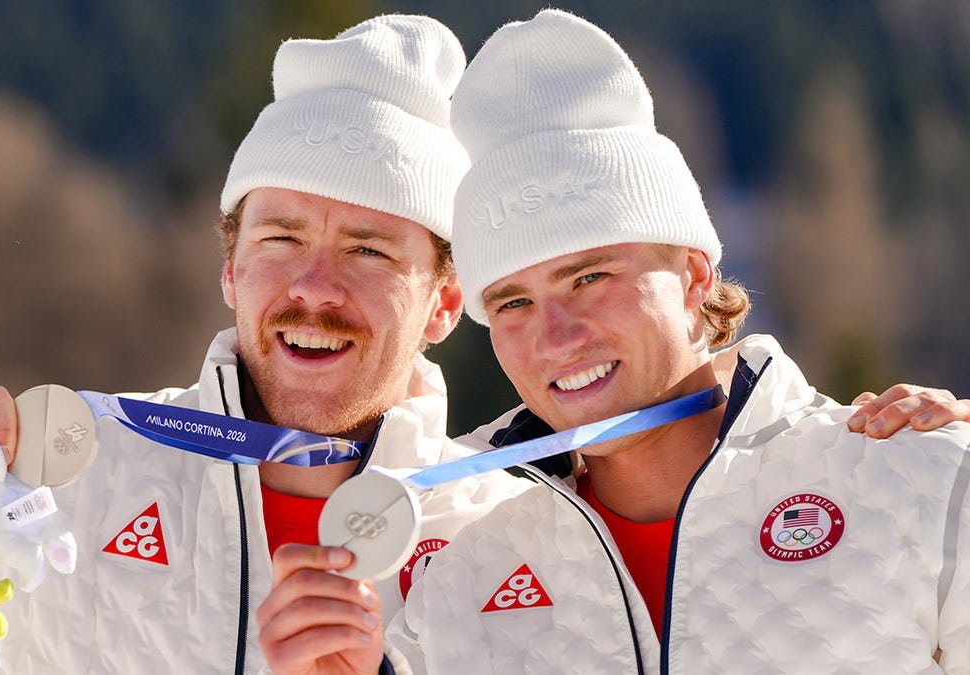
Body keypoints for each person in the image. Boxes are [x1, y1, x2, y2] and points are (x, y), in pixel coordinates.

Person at [0, 15, 534, 673]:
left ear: (446, 302)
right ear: (231, 270)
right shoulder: (61, 480)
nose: (316, 286)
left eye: (369, 251)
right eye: (280, 238)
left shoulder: (519, 540)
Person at [258, 9, 970, 675]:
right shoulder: (450, 565)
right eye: (513, 301)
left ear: (694, 274)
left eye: (589, 277)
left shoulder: (917, 480)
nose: (556, 336)